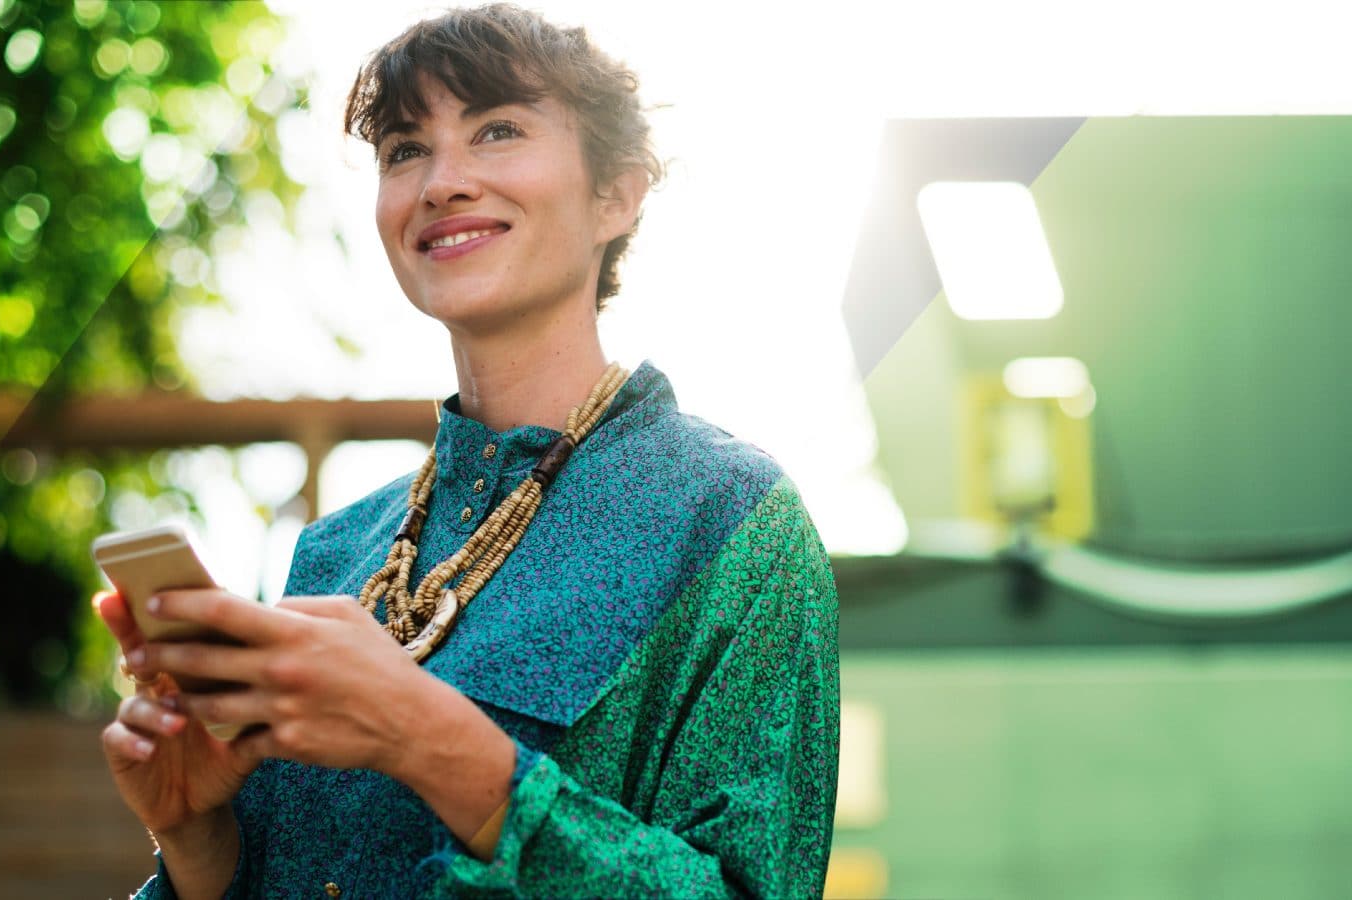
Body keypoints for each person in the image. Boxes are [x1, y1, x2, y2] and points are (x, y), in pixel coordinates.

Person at [95, 4, 840, 897]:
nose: (443, 181)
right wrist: (196, 840)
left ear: (618, 194)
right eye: (406, 149)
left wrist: (432, 741)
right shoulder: (333, 555)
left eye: (497, 131)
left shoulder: (731, 523)